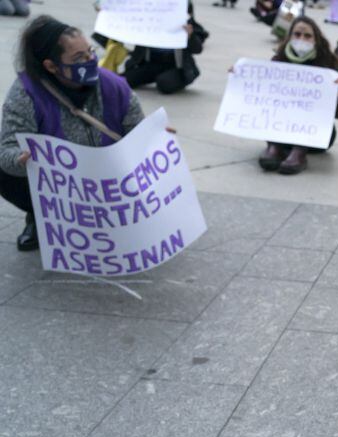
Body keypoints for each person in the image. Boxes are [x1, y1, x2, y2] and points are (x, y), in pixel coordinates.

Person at [1, 16, 145, 251]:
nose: (90, 60)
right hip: (59, 187)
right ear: (51, 66)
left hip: (108, 180)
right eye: (79, 58)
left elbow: (137, 132)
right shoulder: (26, 93)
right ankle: (40, 217)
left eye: (90, 52)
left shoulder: (115, 86)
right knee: (4, 174)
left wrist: (154, 136)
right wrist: (21, 159)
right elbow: (7, 148)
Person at [257, 17, 338, 174]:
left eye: (307, 36)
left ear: (316, 39)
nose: (301, 39)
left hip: (316, 137)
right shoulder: (278, 61)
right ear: (289, 36)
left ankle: (299, 153)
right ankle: (274, 148)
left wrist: (337, 95)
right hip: (280, 129)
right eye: (297, 34)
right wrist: (240, 76)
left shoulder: (327, 65)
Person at [124, 3, 207, 94]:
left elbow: (198, 49)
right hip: (151, 62)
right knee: (124, 80)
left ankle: (178, 79)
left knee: (164, 84)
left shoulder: (183, 8)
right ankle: (155, 76)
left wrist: (190, 36)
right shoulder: (149, 10)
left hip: (176, 65)